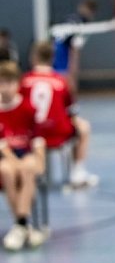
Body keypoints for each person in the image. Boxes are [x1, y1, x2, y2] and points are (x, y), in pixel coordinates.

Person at [21, 41, 98, 188]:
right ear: (52, 58)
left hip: (30, 134)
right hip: (58, 133)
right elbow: (72, 110)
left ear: (33, 58)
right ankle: (77, 172)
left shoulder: (24, 81)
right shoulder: (61, 81)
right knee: (83, 127)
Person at [0, 61, 47, 251]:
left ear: (17, 84)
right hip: (5, 156)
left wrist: (41, 160)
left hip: (25, 153)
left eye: (9, 83)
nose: (5, 87)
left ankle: (20, 226)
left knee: (28, 168)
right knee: (6, 171)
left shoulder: (28, 108)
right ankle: (23, 224)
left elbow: (37, 139)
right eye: (1, 83)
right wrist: (13, 162)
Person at [52, 0, 98, 95]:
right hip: (61, 48)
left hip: (59, 46)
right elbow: (75, 46)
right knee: (66, 76)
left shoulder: (75, 18)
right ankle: (70, 100)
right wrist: (74, 65)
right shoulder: (82, 22)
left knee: (63, 75)